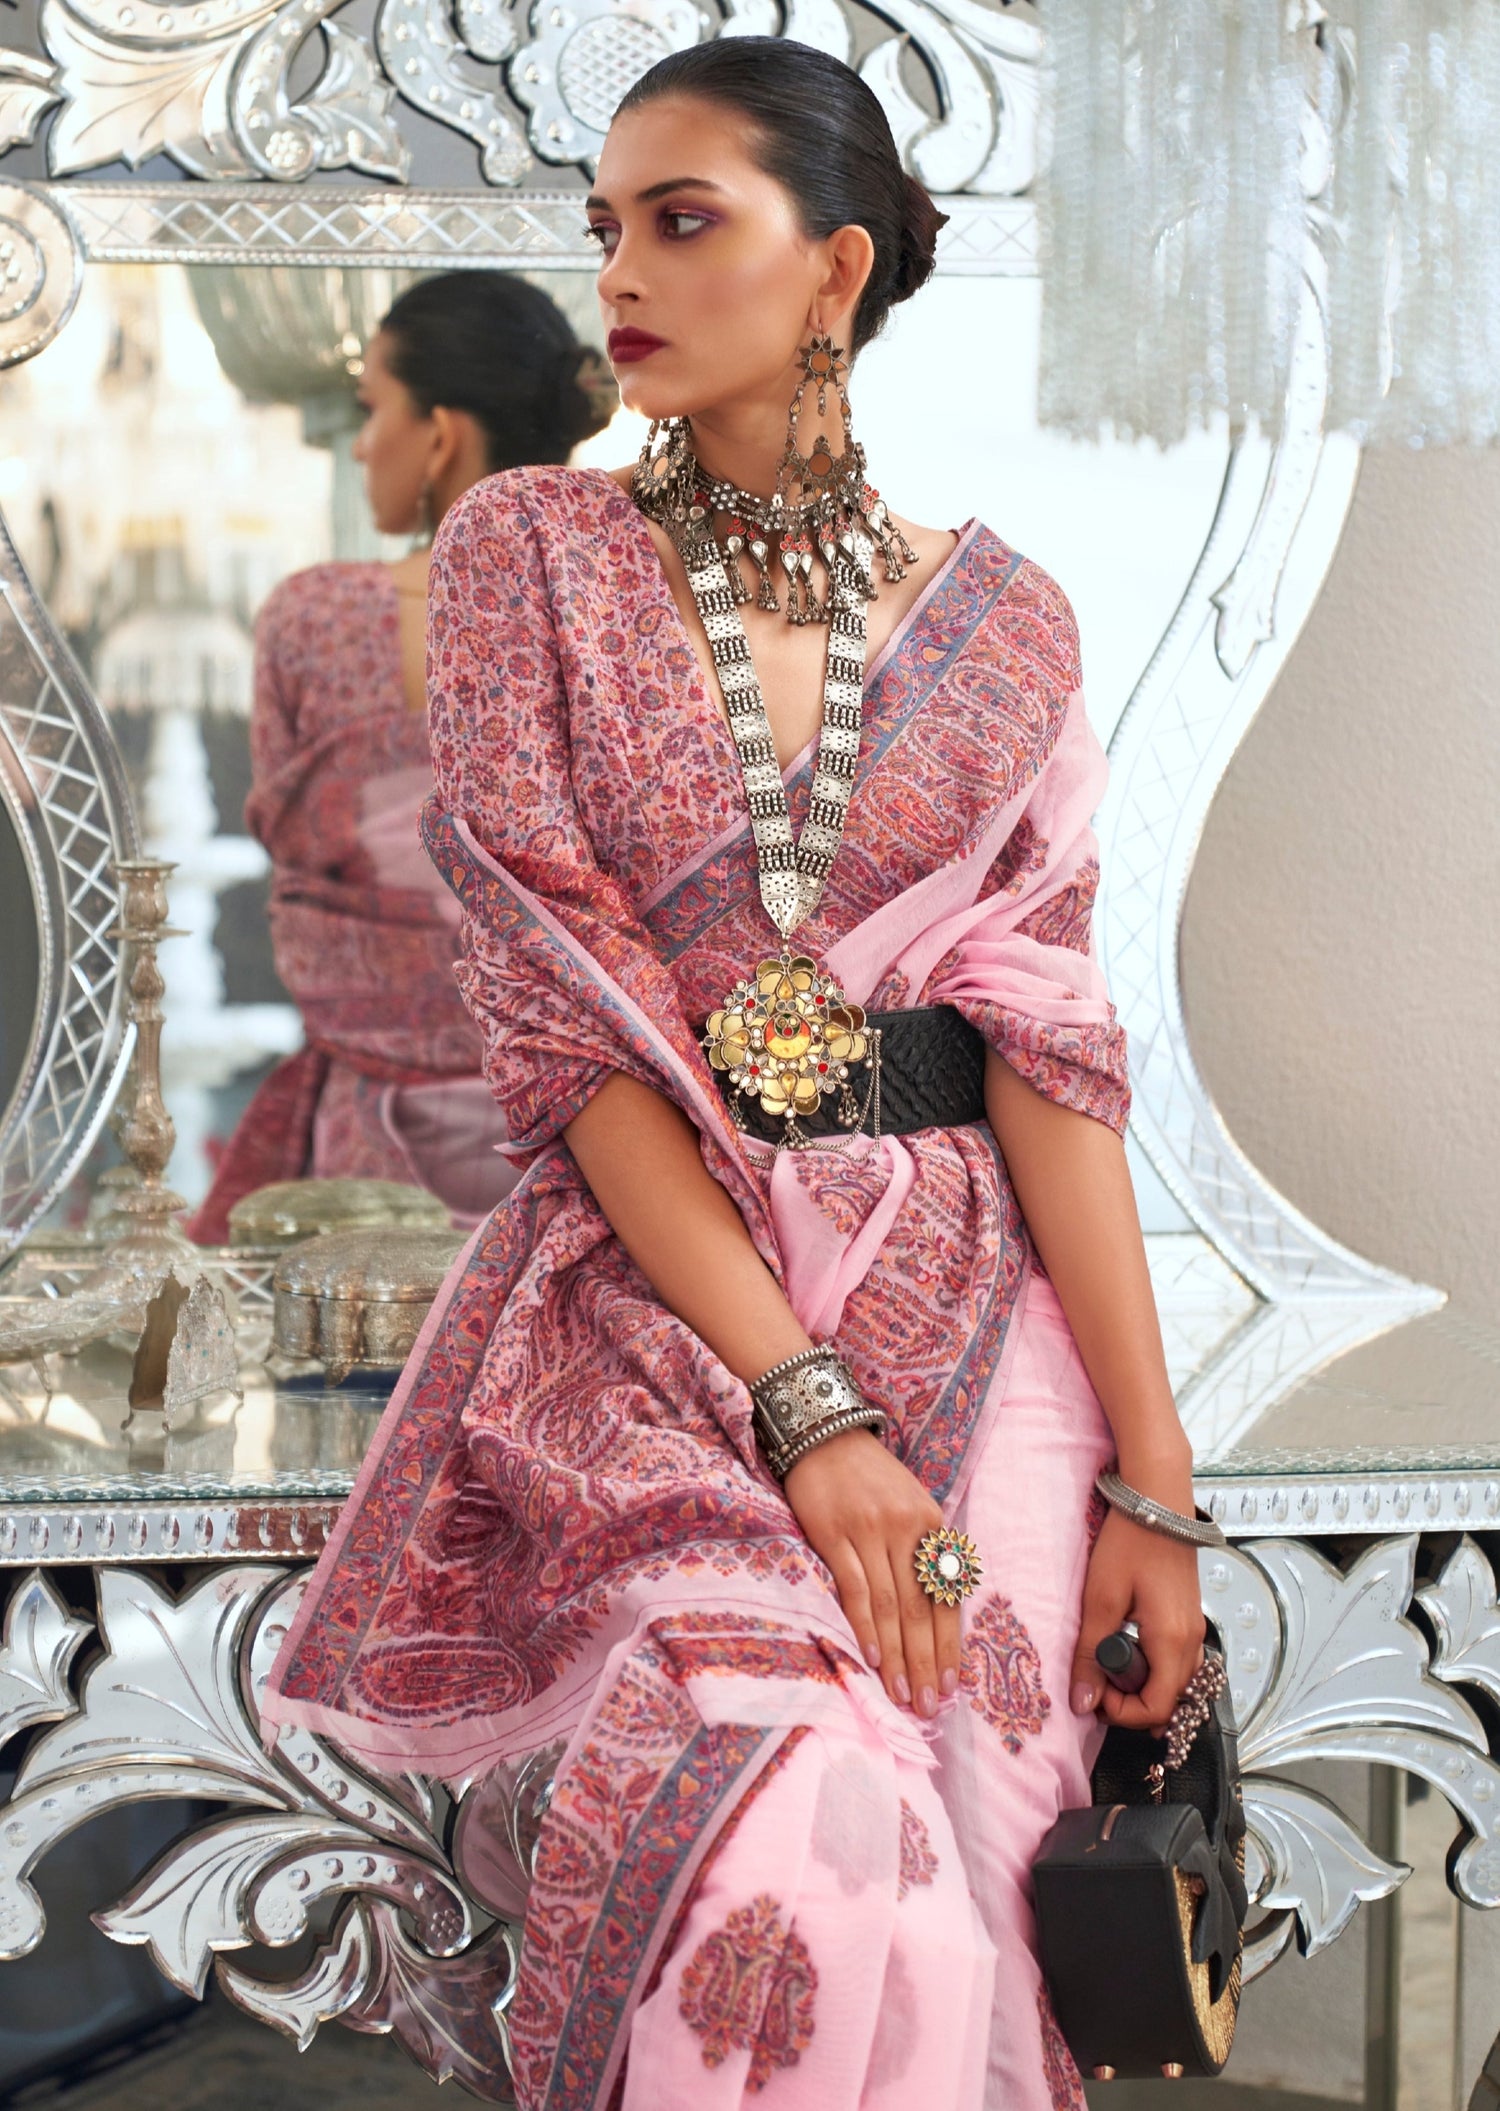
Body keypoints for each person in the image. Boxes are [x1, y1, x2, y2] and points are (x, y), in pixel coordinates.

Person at [263, 39, 1209, 2109]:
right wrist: (808, 1404)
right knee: (800, 1839)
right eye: (609, 226)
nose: (627, 267)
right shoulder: (532, 560)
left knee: (981, 1859)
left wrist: (1159, 1477)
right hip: (670, 1310)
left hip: (985, 1321)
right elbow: (568, 1018)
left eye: (686, 221)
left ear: (836, 270)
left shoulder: (1006, 621)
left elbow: (1047, 1044)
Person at [191, 272, 611, 1240]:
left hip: (371, 1142)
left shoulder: (316, 615)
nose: (361, 439)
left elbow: (297, 869)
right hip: (589, 1123)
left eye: (373, 405)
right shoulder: (627, 622)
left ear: (441, 431)